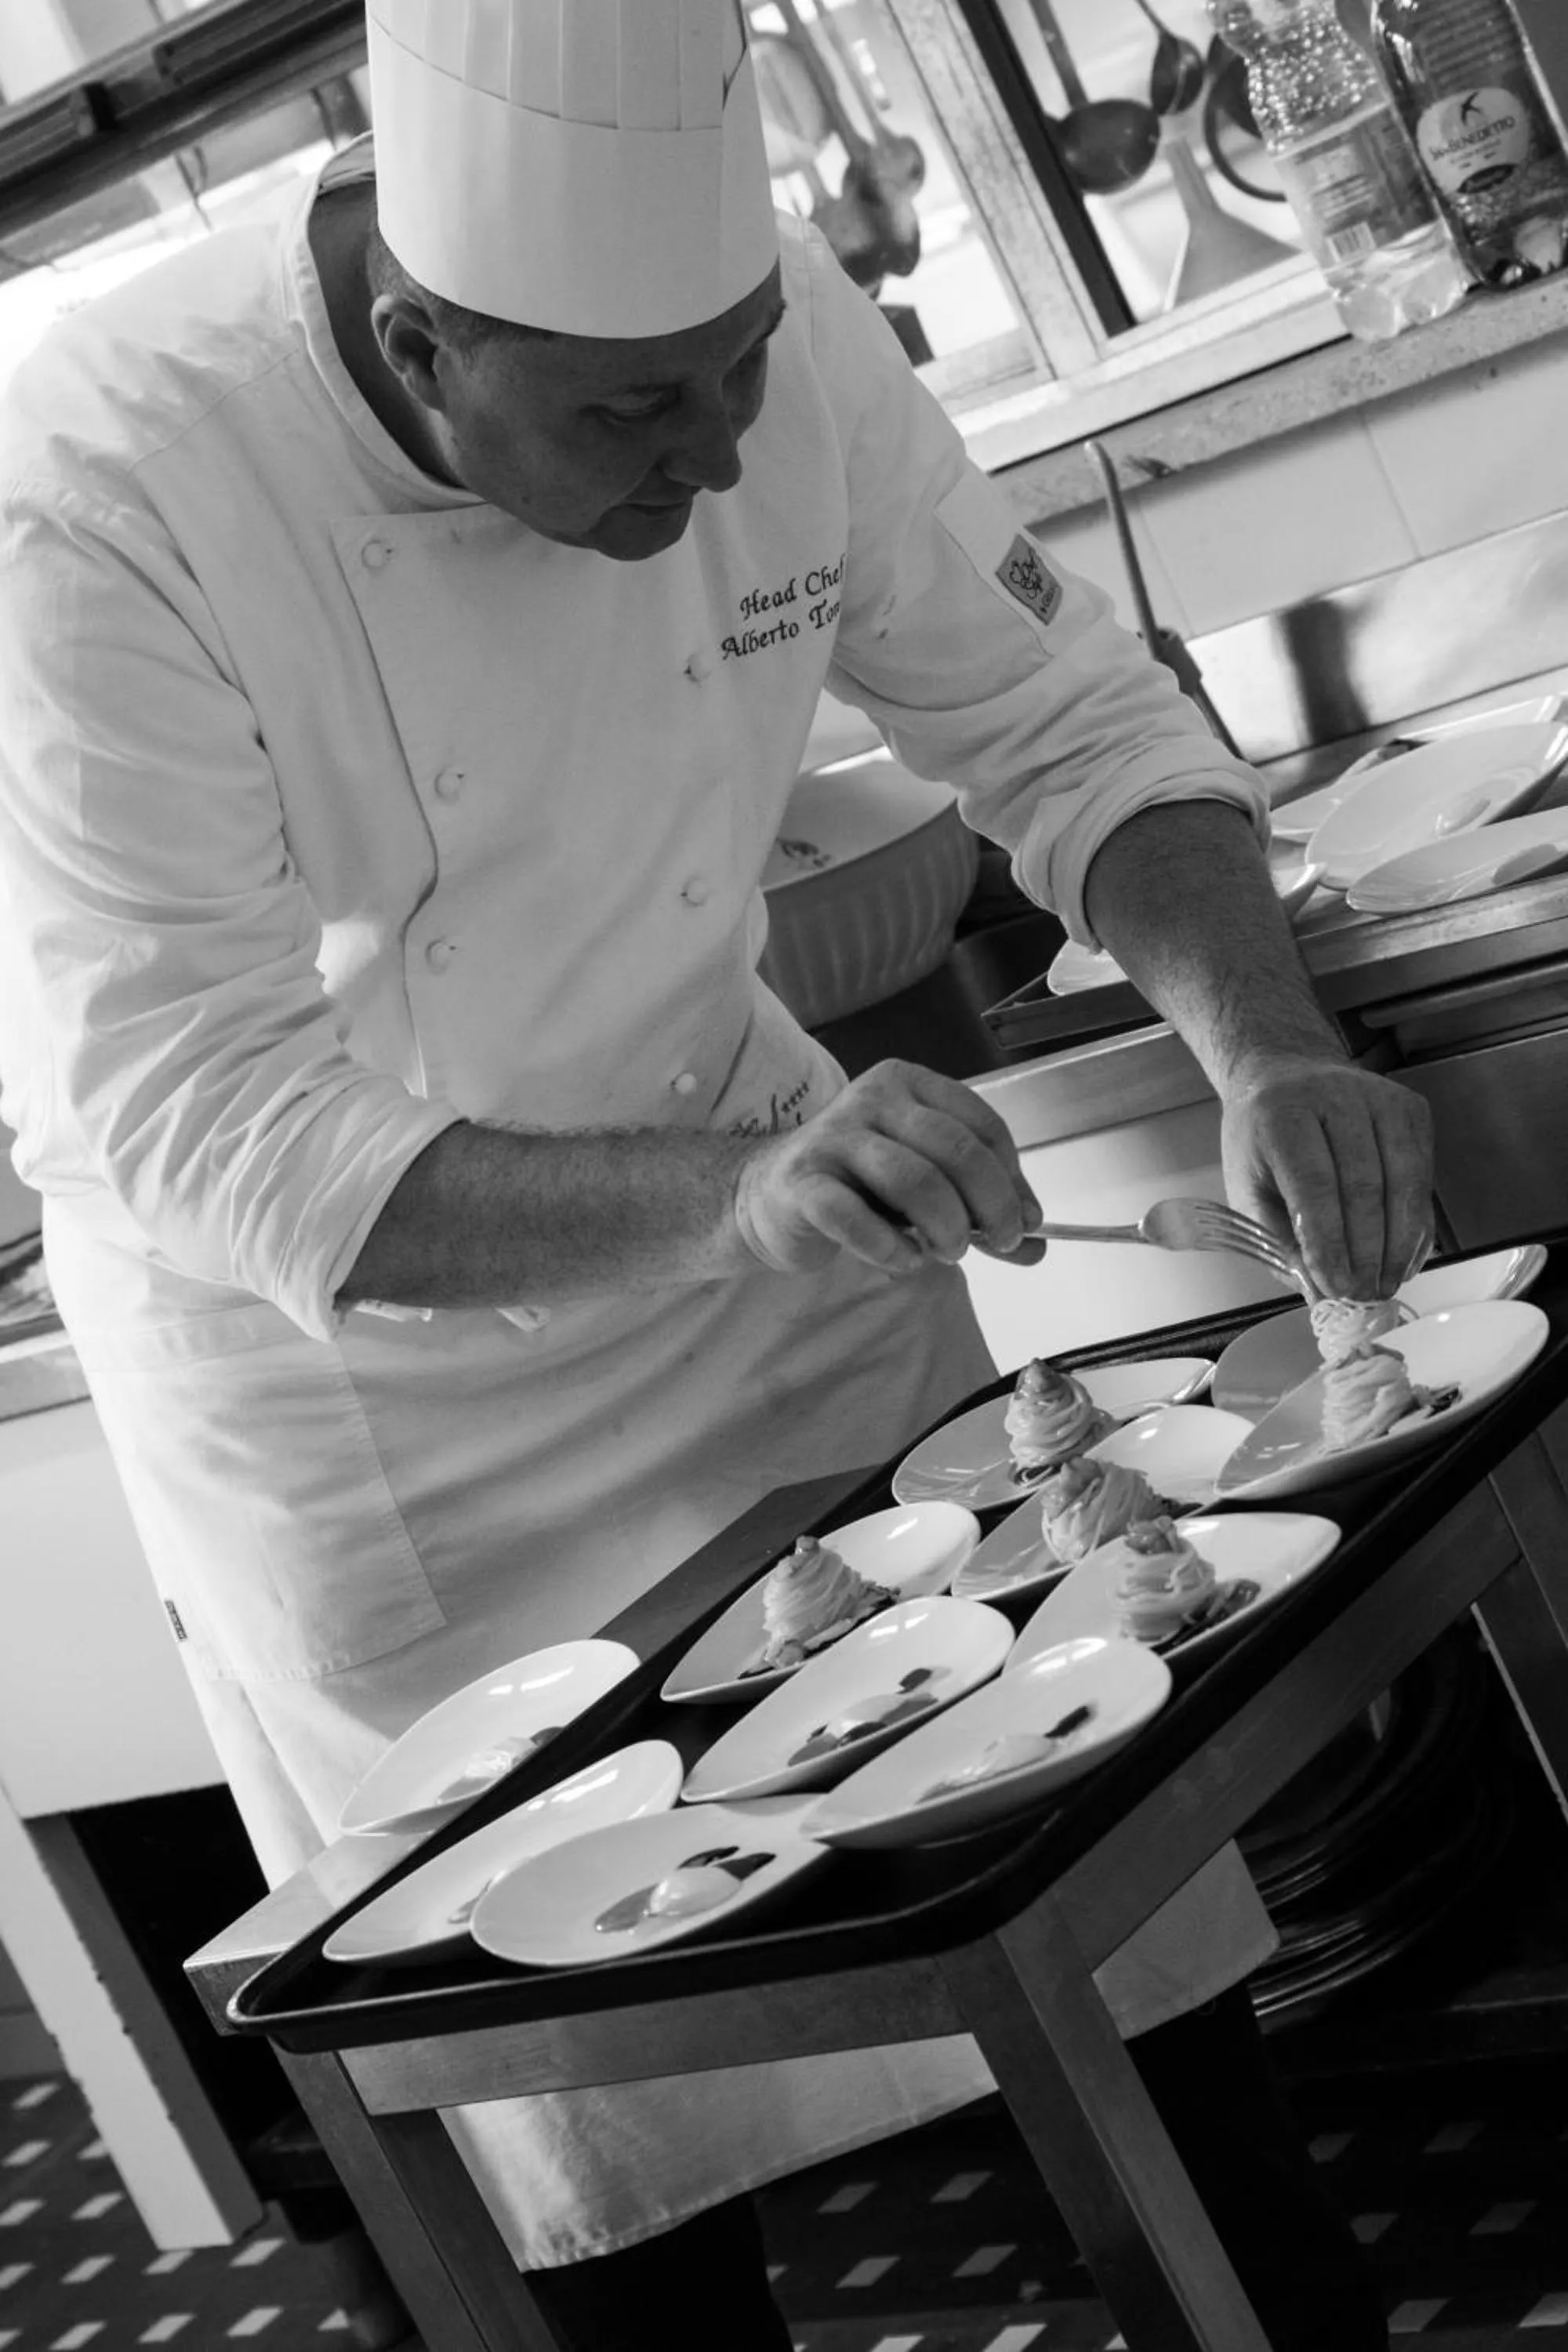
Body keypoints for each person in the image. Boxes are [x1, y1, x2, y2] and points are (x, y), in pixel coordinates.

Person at [0, 2, 1426, 2345]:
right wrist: (720, 1200)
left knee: (1113, 1943)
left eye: (742, 367)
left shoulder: (746, 341)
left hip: (779, 1283)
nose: (722, 451)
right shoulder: (102, 483)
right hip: (390, 1424)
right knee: (608, 2128)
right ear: (412, 343)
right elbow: (189, 1113)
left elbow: (1063, 724)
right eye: (634, 416)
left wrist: (1258, 1041)